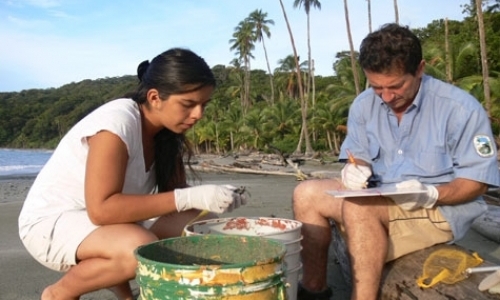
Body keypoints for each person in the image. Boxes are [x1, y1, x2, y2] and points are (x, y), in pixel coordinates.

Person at [18, 48, 247, 300]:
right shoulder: (117, 123)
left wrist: (214, 198)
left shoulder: (166, 133)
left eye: (204, 105)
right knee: (139, 249)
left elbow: (175, 200)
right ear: (155, 97)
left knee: (199, 226)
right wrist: (192, 196)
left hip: (109, 224)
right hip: (51, 223)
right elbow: (102, 210)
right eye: (188, 104)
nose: (198, 115)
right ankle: (58, 294)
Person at [293, 23, 499, 300]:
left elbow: (477, 182)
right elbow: (359, 152)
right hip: (382, 199)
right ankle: (314, 291)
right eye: (377, 87)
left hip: (440, 210)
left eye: (396, 85)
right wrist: (357, 167)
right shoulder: (364, 105)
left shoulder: (459, 109)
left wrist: (431, 194)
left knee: (359, 207)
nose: (387, 97)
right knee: (306, 193)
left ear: (420, 69)